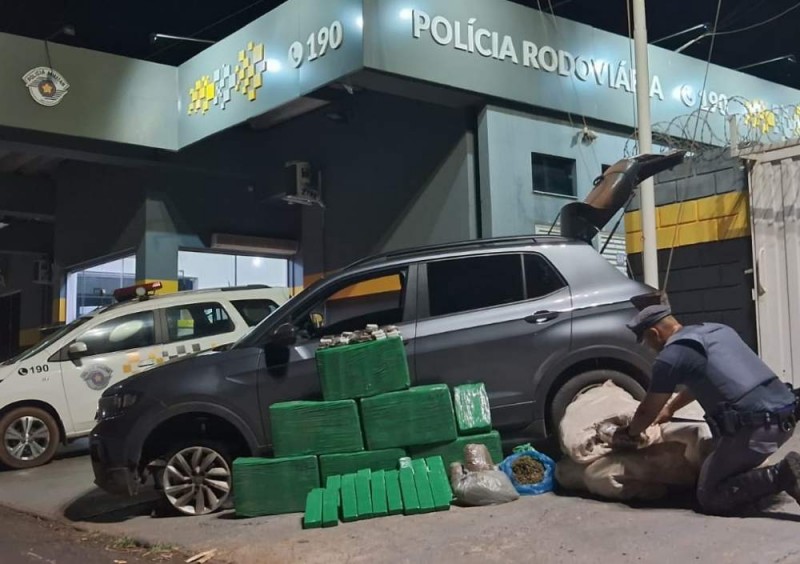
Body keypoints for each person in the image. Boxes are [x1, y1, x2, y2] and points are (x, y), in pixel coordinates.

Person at [616, 304, 800, 515]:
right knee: (724, 463)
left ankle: (783, 474)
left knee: (710, 496)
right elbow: (705, 382)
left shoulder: (671, 356)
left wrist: (630, 433)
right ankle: (758, 480)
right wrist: (670, 409)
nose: (649, 347)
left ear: (653, 333)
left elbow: (647, 411)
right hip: (786, 418)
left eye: (647, 342)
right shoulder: (718, 331)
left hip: (756, 431)